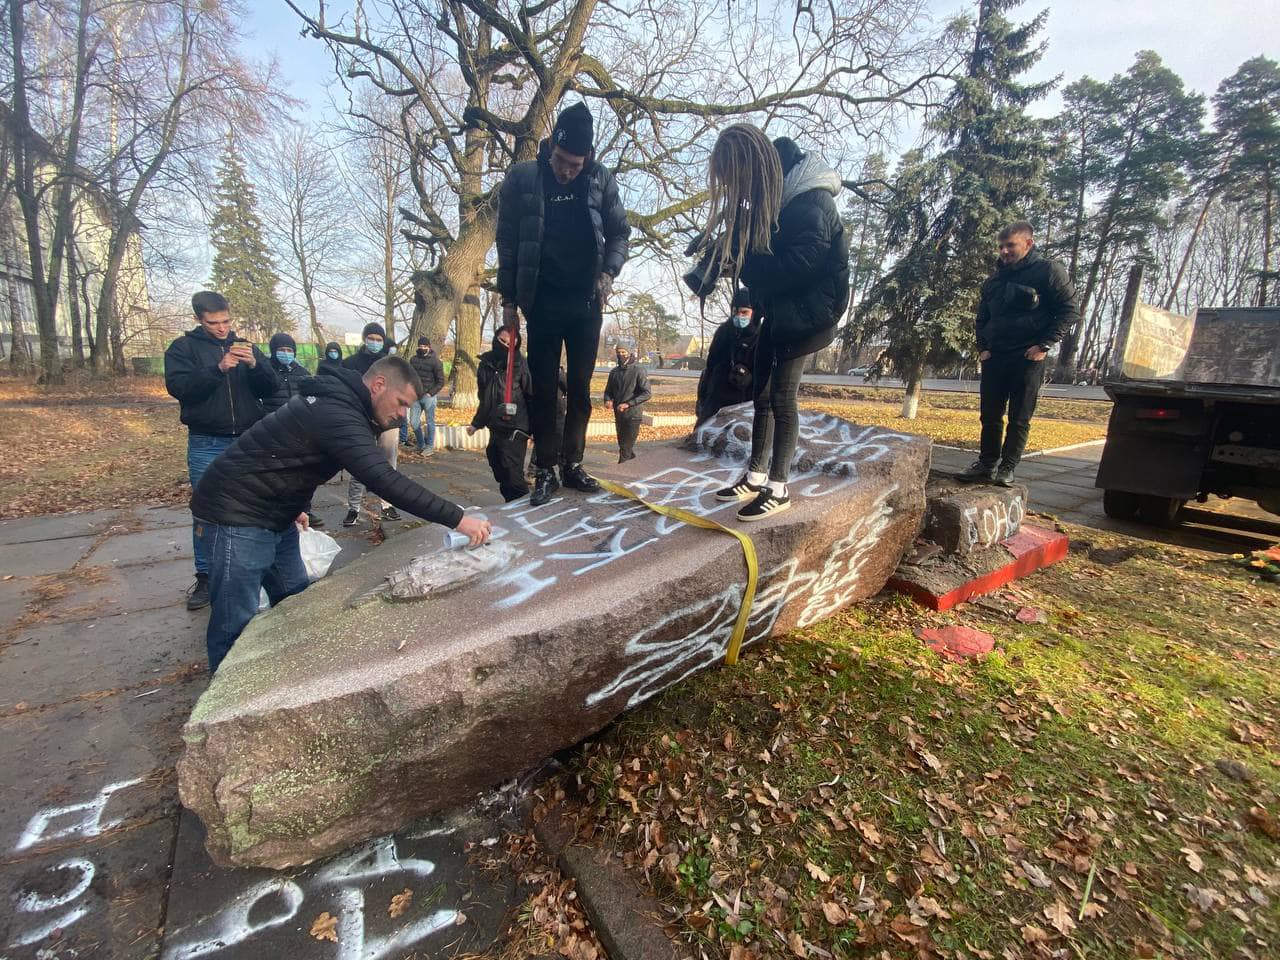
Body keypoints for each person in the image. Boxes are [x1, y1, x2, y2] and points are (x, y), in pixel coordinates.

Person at [190, 356, 491, 671]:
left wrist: (297, 506)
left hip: (275, 514)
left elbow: (295, 459)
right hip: (235, 515)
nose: (403, 415)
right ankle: (222, 709)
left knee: (295, 603)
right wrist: (458, 519)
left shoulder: (343, 406)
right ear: (378, 385)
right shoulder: (337, 413)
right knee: (234, 621)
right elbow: (384, 480)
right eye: (402, 403)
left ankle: (286, 680)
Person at [688, 129, 849, 521]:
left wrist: (744, 262)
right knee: (760, 396)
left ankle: (778, 488)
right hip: (777, 310)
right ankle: (755, 476)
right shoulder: (771, 198)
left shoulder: (811, 200)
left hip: (810, 312)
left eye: (738, 179)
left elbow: (800, 265)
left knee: (781, 397)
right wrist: (722, 251)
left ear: (754, 168)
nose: (738, 190)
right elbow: (762, 254)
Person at [495, 101, 631, 506]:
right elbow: (507, 240)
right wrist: (508, 299)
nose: (566, 171)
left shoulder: (600, 180)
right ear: (551, 145)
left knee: (580, 388)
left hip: (586, 302)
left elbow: (620, 233)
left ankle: (573, 463)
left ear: (587, 158)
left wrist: (609, 272)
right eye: (560, 160)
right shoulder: (523, 178)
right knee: (542, 391)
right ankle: (546, 469)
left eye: (574, 165)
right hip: (542, 301)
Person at [164, 290, 276, 610]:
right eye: (214, 323)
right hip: (206, 442)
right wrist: (218, 368)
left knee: (254, 505)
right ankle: (207, 577)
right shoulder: (183, 349)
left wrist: (256, 365)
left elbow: (271, 389)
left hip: (247, 439)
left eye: (227, 321)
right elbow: (181, 388)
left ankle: (252, 569)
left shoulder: (246, 346)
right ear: (199, 319)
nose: (223, 328)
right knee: (207, 510)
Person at [958, 221, 1080, 487]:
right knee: (990, 416)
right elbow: (982, 318)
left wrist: (1044, 345)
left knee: (1019, 417)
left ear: (1028, 243)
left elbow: (1070, 310)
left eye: (1010, 245)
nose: (1004, 251)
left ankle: (1008, 467)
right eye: (1001, 246)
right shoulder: (994, 281)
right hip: (995, 357)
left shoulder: (1047, 271)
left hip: (1027, 358)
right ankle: (987, 463)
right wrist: (983, 348)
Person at [337, 323, 402, 524]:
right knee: (360, 464)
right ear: (364, 339)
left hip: (388, 422)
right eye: (371, 338)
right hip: (362, 420)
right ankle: (354, 508)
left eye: (378, 339)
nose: (374, 342)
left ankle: (387, 505)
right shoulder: (351, 363)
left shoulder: (392, 364)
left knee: (388, 465)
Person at [263, 331, 325, 529]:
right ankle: (278, 510)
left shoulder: (301, 372)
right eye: (281, 350)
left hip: (298, 428)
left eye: (289, 350)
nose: (286, 353)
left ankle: (304, 509)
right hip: (272, 428)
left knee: (301, 474)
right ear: (273, 351)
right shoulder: (265, 372)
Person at [468, 328, 534, 501]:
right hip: (496, 425)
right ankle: (510, 503)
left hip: (516, 427)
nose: (505, 346)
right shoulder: (486, 363)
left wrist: (536, 430)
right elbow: (485, 398)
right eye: (502, 341)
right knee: (497, 463)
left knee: (512, 470)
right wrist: (476, 423)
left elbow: (531, 396)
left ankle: (523, 505)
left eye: (510, 344)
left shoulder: (521, 364)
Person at [696, 289, 760, 424]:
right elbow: (710, 366)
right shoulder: (723, 332)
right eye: (735, 311)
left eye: (744, 312)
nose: (739, 316)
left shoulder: (760, 337)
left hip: (744, 403)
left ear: (754, 312)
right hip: (716, 400)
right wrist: (702, 398)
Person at [603, 344, 651, 462]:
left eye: (623, 352)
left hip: (633, 415)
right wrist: (607, 400)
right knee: (623, 445)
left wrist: (628, 404)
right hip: (619, 414)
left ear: (629, 353)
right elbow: (608, 391)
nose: (620, 355)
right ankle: (633, 462)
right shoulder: (614, 372)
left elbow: (647, 393)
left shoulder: (638, 371)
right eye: (618, 352)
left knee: (625, 448)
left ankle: (621, 472)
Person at [403, 336, 445, 456]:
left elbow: (441, 381)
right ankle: (420, 445)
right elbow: (409, 377)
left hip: (429, 397)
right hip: (415, 396)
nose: (422, 348)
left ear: (429, 347)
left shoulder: (436, 362)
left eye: (424, 346)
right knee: (414, 422)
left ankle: (429, 447)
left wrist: (430, 393)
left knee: (430, 422)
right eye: (420, 346)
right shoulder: (413, 360)